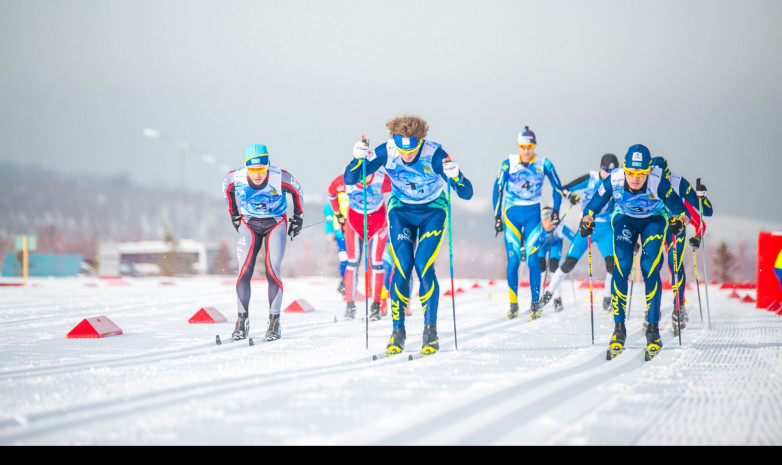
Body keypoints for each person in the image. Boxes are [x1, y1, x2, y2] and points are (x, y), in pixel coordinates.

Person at [344, 115, 473, 355]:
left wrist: (457, 176)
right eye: (404, 152)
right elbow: (350, 179)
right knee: (402, 266)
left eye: (412, 151)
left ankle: (430, 330)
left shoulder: (436, 155)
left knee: (423, 266)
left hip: (432, 211)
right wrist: (357, 158)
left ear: (420, 141)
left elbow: (466, 194)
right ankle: (398, 331)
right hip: (401, 212)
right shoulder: (386, 151)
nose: (407, 156)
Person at [580, 144, 689, 359]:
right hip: (625, 219)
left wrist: (680, 223)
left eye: (641, 173)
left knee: (649, 268)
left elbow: (682, 212)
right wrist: (587, 221)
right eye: (631, 172)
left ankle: (653, 329)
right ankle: (618, 329)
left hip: (654, 221)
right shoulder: (615, 179)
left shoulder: (658, 181)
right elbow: (592, 206)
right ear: (625, 169)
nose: (636, 178)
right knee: (622, 266)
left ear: (649, 170)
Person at [221, 144, 304, 341]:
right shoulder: (236, 178)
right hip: (249, 222)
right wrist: (234, 214)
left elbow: (298, 191)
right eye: (252, 170)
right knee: (244, 270)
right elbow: (227, 191)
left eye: (261, 169)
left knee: (272, 269)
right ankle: (242, 321)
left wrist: (298, 218)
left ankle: (274, 322)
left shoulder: (280, 177)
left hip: (275, 222)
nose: (257, 174)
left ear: (268, 166)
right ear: (246, 168)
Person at [493, 126, 564, 321]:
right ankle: (513, 304)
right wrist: (497, 216)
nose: (526, 151)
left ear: (534, 146)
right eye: (523, 147)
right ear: (518, 146)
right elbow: (497, 189)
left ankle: (535, 304)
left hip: (533, 214)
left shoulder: (544, 164)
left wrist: (556, 211)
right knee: (514, 260)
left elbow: (557, 188)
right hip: (511, 214)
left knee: (533, 260)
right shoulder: (508, 164)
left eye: (530, 146)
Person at [539, 154, 620, 313]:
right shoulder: (590, 178)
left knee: (612, 264)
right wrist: (571, 196)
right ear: (601, 169)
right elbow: (562, 189)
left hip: (606, 229)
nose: (609, 175)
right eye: (606, 171)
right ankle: (548, 296)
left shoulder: (618, 182)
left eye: (613, 172)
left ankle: (607, 298)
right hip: (587, 226)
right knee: (568, 263)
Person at [650, 156, 714, 334]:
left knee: (675, 265)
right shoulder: (646, 180)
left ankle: (679, 307)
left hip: (676, 226)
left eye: (667, 177)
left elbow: (705, 212)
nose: (665, 182)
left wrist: (702, 197)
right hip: (655, 226)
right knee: (652, 265)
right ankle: (651, 309)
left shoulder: (679, 182)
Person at [328, 164, 392, 322]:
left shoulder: (381, 178)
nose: (363, 179)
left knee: (377, 263)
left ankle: (375, 306)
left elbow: (400, 188)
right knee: (352, 262)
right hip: (355, 223)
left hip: (378, 222)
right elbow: (332, 192)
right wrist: (338, 215)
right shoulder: (347, 179)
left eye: (367, 174)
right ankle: (350, 306)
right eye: (360, 175)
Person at [529, 206, 576, 312]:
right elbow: (529, 241)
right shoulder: (537, 227)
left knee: (553, 266)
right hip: (541, 245)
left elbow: (575, 239)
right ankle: (538, 300)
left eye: (551, 220)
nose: (549, 223)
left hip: (555, 245)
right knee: (541, 266)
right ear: (541, 220)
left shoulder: (559, 226)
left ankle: (557, 299)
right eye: (546, 220)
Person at [324, 201, 348, 296]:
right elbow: (328, 214)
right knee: (344, 257)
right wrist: (329, 231)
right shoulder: (335, 195)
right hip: (340, 234)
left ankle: (348, 280)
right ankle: (344, 281)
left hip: (354, 232)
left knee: (353, 258)